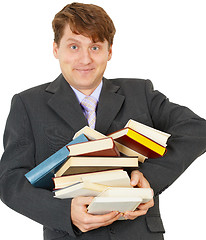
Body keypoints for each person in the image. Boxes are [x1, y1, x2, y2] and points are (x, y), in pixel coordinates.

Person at [0, 2, 206, 240]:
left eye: (95, 47)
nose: (85, 59)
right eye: (74, 46)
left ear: (109, 51)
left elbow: (197, 129)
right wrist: (65, 213)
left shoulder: (140, 93)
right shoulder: (27, 104)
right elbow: (10, 181)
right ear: (56, 49)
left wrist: (149, 177)